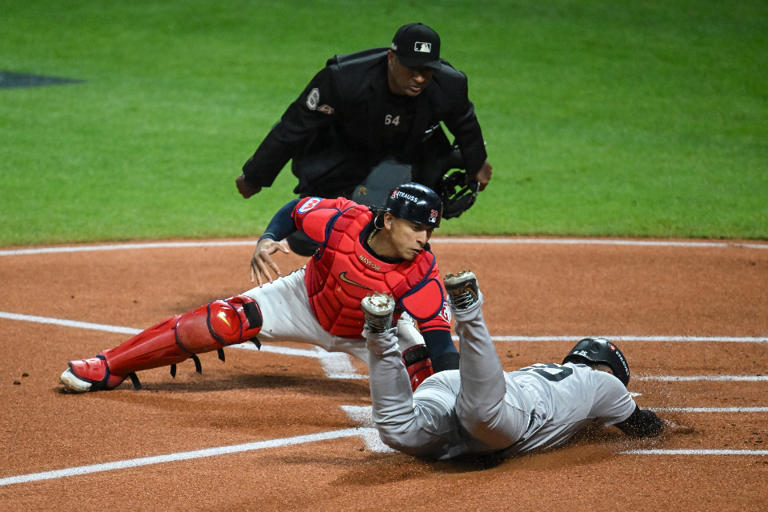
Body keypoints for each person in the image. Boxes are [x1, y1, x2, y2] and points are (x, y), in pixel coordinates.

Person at [59, 183, 458, 393]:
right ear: (388, 221)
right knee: (217, 322)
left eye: (430, 230)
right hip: (303, 301)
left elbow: (441, 344)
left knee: (427, 377)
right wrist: (269, 237)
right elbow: (296, 210)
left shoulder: (422, 272)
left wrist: (456, 393)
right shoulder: (343, 222)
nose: (424, 238)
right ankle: (110, 365)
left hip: (374, 334)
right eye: (417, 227)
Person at [235, 22, 493, 255]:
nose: (420, 77)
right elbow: (293, 127)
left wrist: (477, 163)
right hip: (347, 152)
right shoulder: (344, 79)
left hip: (410, 153)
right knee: (309, 237)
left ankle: (398, 272)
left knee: (407, 213)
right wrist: (255, 176)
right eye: (412, 68)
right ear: (391, 58)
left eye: (428, 70)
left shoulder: (449, 85)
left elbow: (465, 124)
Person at [360, 270, 673, 460]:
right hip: (504, 413)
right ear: (607, 368)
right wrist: (676, 428)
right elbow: (642, 426)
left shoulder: (546, 370)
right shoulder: (603, 383)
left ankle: (380, 334)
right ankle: (468, 310)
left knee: (397, 429)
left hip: (454, 389)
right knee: (480, 414)